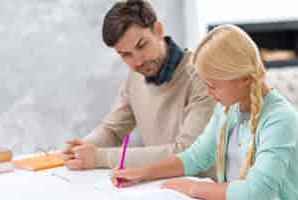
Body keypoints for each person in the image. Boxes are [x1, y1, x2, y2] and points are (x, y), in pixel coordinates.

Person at [109, 24, 298, 200]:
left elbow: (259, 191)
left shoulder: (280, 119)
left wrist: (191, 187)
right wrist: (143, 172)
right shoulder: (227, 108)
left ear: (244, 79)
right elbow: (197, 156)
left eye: (213, 85)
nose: (208, 93)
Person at [61, 0, 215, 176]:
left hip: (200, 191)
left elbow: (186, 152)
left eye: (142, 45)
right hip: (159, 187)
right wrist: (81, 148)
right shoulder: (136, 76)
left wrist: (100, 157)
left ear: (157, 30)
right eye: (126, 55)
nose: (138, 62)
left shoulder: (202, 74)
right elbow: (112, 130)